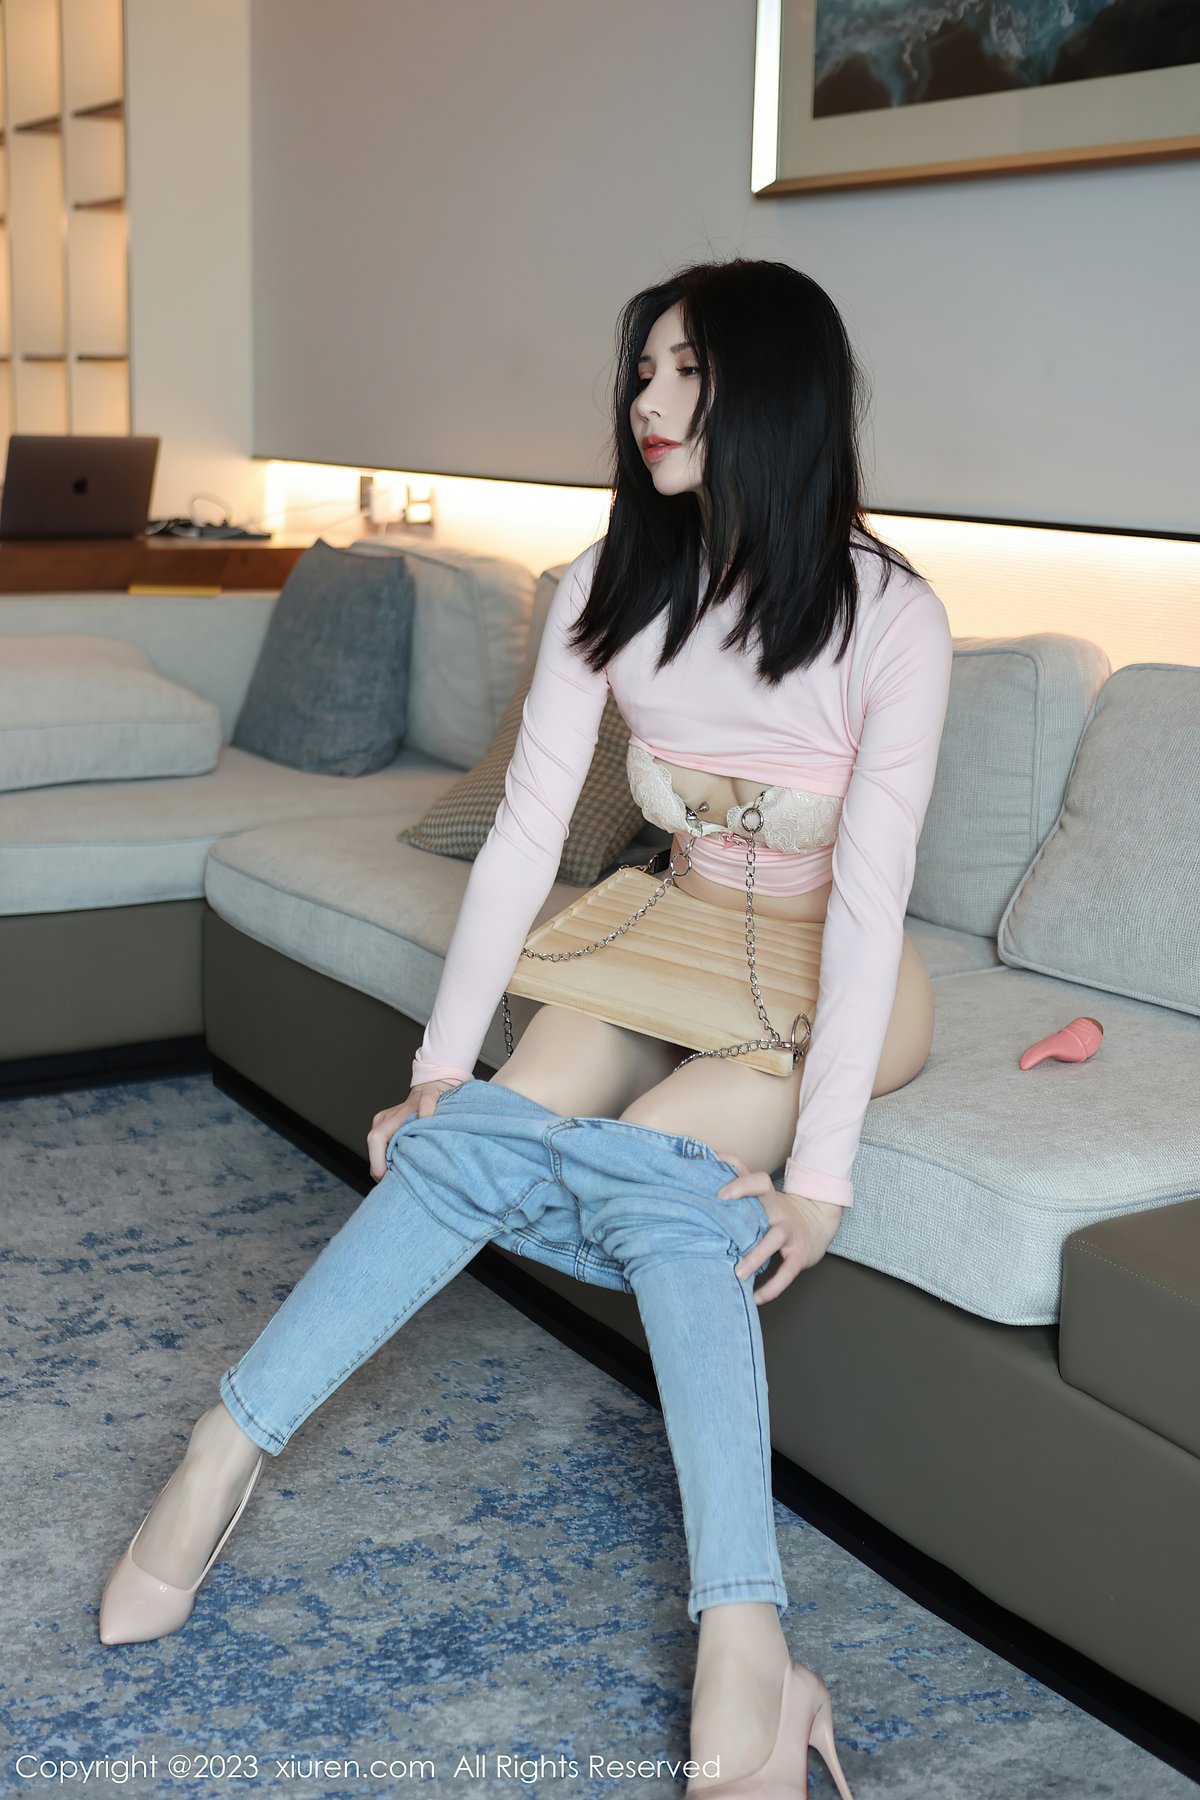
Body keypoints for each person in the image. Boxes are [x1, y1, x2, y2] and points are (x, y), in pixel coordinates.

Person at [98, 255, 952, 1800]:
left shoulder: (891, 616)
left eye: (686, 373)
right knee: (481, 1126)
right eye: (643, 372)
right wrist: (439, 1070)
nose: (648, 403)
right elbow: (522, 837)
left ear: (773, 392)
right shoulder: (609, 586)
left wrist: (819, 1183)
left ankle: (749, 1642)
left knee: (652, 1178)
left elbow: (875, 896)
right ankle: (224, 1452)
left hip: (835, 970)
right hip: (668, 930)